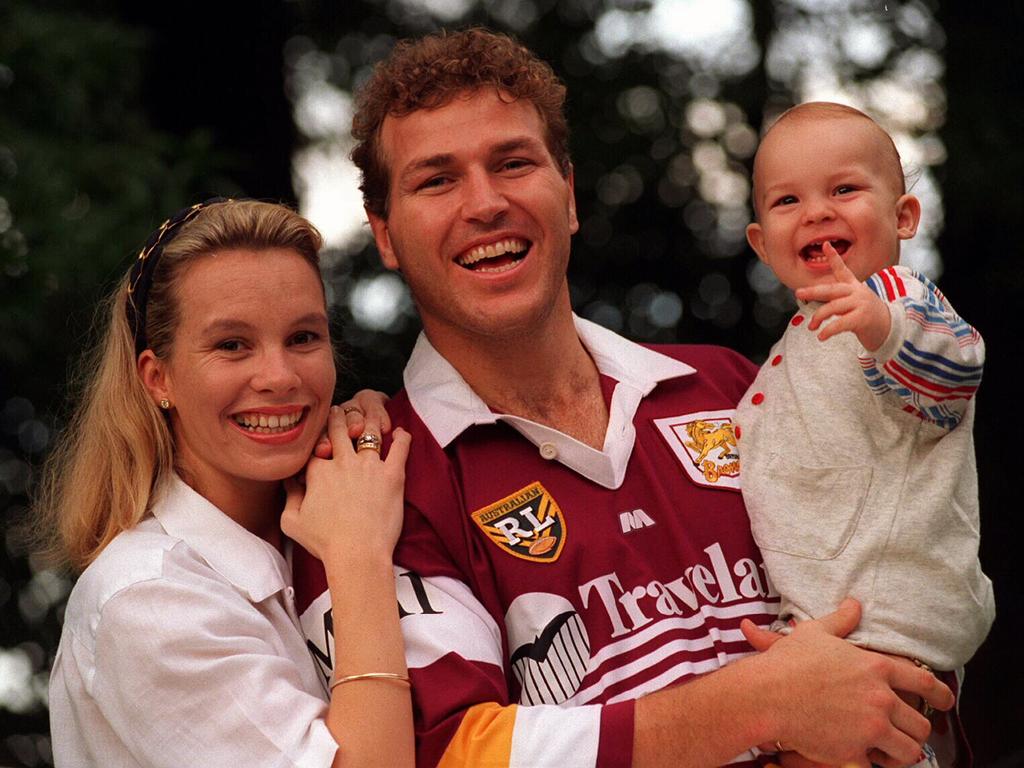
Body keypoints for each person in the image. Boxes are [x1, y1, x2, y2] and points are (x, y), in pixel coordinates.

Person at [291, 29, 954, 768]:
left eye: (513, 163)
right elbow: (448, 751)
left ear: (568, 195)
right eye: (436, 180)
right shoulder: (368, 488)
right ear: (384, 234)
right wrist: (758, 705)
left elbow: (905, 565)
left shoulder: (736, 388)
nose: (485, 203)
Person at [37, 199, 414, 767]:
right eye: (232, 345)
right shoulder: (146, 601)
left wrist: (377, 432)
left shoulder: (337, 502)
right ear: (157, 378)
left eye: (304, 338)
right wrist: (359, 554)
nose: (280, 377)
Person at [738, 102, 995, 765]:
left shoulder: (900, 297)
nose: (818, 211)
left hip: (891, 636)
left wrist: (883, 327)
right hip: (826, 642)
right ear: (764, 243)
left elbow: (956, 367)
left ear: (903, 216)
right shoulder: (789, 348)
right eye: (789, 199)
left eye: (844, 189)